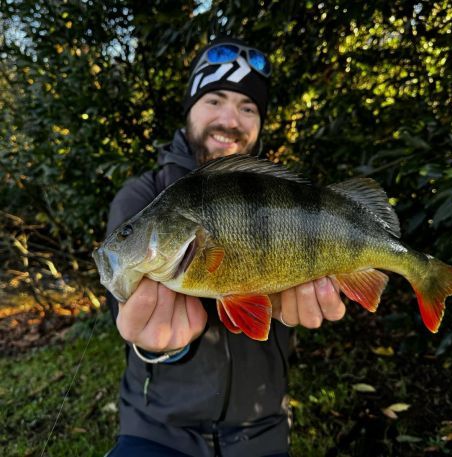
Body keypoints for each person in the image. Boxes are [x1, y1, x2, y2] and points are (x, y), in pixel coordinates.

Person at [105, 37, 346, 457]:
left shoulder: (281, 192)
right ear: (190, 109)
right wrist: (162, 346)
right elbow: (120, 302)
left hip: (263, 430)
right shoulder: (143, 197)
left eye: (248, 107)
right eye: (214, 99)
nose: (230, 119)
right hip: (156, 429)